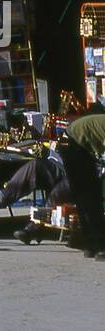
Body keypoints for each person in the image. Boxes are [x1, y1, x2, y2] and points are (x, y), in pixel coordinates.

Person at [59, 111, 105, 259]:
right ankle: (99, 247)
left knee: (85, 198)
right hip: (74, 145)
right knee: (90, 198)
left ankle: (90, 246)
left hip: (74, 145)